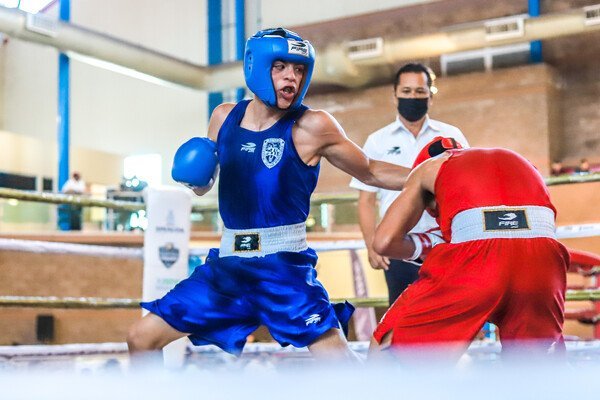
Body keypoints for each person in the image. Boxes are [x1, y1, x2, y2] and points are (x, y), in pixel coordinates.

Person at [127, 28, 410, 363]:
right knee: (141, 338)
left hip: (283, 268)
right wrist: (195, 177)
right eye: (280, 67)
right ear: (257, 67)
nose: (292, 77)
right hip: (228, 268)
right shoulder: (224, 117)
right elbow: (204, 185)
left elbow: (370, 170)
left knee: (341, 366)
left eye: (299, 69)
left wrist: (432, 176)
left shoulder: (312, 126)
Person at [368, 137, 569, 360]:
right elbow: (530, 231)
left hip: (476, 259)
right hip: (545, 261)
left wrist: (428, 244)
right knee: (536, 369)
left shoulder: (427, 168)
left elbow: (384, 241)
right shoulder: (521, 163)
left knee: (389, 342)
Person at [349, 63, 468, 306]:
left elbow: (466, 189)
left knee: (450, 312)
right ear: (395, 95)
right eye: (406, 91)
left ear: (430, 95)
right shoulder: (377, 141)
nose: (412, 97)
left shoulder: (451, 136)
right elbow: (366, 201)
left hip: (444, 245)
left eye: (419, 91)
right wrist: (372, 245)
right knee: (401, 316)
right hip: (397, 246)